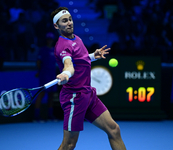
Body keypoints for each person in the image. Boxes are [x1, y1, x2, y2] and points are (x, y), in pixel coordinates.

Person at [51, 7, 126, 150]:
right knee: (69, 144)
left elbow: (79, 59)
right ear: (56, 26)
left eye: (70, 19)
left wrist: (92, 56)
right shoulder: (62, 46)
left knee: (114, 129)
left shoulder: (76, 38)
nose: (69, 23)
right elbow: (69, 65)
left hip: (88, 94)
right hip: (74, 97)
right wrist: (66, 73)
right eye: (64, 21)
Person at [34, 32, 57, 122]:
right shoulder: (42, 50)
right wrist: (40, 71)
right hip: (44, 74)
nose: (49, 41)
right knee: (42, 94)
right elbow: (38, 62)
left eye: (51, 39)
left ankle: (50, 115)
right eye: (48, 39)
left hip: (52, 75)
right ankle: (36, 116)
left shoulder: (55, 50)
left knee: (51, 95)